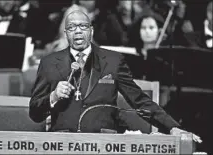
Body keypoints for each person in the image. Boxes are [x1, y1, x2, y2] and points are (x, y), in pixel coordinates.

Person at [29, 10, 201, 143]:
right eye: (72, 28)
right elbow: (35, 113)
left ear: (92, 30)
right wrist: (53, 96)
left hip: (105, 143)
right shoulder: (49, 62)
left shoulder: (113, 61)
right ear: (66, 33)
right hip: (62, 143)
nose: (78, 32)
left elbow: (139, 100)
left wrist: (172, 127)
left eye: (83, 26)